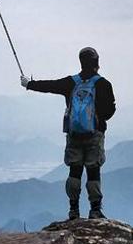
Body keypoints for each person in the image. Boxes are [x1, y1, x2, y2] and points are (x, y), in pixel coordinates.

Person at [21, 47, 115, 220]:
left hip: (74, 136)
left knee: (74, 171)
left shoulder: (71, 83)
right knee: (93, 171)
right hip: (95, 135)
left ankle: (73, 210)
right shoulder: (103, 84)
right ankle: (95, 210)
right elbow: (110, 111)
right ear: (96, 62)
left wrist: (29, 84)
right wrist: (98, 118)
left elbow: (50, 86)